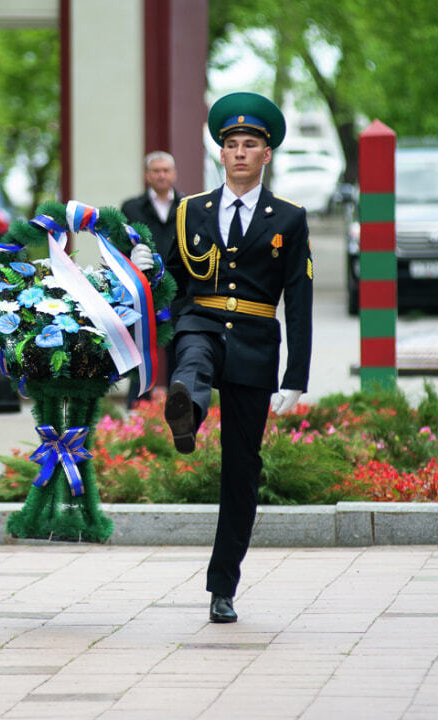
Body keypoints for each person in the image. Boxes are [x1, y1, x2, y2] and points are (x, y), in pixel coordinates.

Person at [160, 92, 313, 624]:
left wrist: (296, 375)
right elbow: (171, 280)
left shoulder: (289, 218)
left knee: (241, 470)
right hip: (201, 321)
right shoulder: (190, 210)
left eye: (250, 145)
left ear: (266, 155)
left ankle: (222, 586)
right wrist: (146, 267)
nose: (240, 152)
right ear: (220, 155)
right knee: (191, 363)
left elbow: (299, 297)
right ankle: (188, 412)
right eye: (232, 145)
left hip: (253, 337)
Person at [121, 150, 182, 407]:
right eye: (156, 171)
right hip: (142, 290)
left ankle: (179, 405)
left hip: (178, 288)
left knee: (178, 346)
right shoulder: (132, 207)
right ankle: (137, 407)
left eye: (166, 170)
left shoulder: (187, 206)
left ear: (174, 174)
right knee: (141, 347)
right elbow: (121, 246)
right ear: (147, 176)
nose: (161, 175)